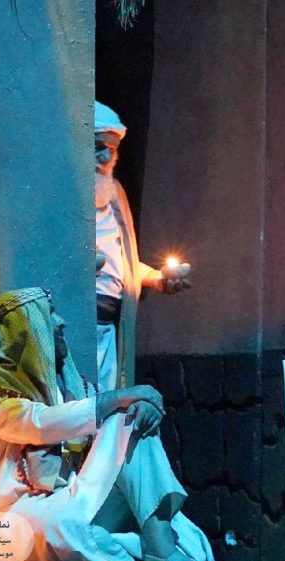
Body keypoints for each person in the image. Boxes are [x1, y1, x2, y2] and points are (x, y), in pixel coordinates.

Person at [0, 287, 216, 561]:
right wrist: (122, 396)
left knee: (129, 418)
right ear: (27, 327)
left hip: (67, 498)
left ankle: (160, 547)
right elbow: (36, 423)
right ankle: (126, 547)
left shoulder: (68, 388)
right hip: (6, 521)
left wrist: (139, 405)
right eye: (50, 314)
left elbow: (100, 416)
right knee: (66, 527)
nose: (61, 322)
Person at [95, 101, 189, 392]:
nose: (106, 156)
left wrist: (156, 278)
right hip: (80, 320)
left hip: (111, 323)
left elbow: (122, 262)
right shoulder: (65, 195)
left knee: (107, 403)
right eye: (98, 146)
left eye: (113, 148)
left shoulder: (115, 194)